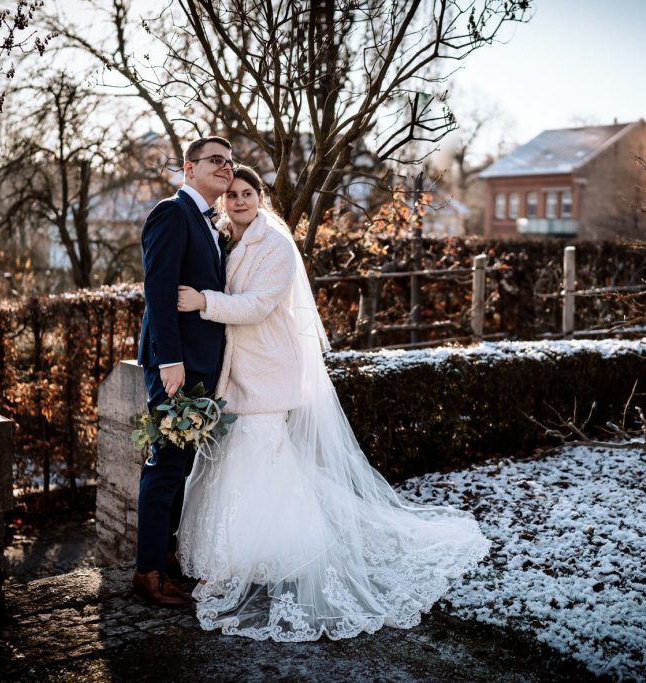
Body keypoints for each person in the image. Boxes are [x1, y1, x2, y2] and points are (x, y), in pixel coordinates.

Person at [174, 166, 490, 641]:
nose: (238, 201)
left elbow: (258, 305)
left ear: (261, 199)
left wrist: (203, 302)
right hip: (231, 374)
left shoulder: (276, 247)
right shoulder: (224, 238)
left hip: (265, 370)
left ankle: (255, 558)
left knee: (258, 462)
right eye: (232, 195)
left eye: (247, 193)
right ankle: (229, 556)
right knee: (236, 463)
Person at [133, 136, 234, 607]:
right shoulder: (172, 212)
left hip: (200, 367)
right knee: (166, 464)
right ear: (189, 168)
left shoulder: (208, 221)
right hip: (177, 366)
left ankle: (167, 556)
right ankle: (147, 572)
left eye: (231, 162)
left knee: (182, 465)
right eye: (216, 160)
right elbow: (158, 289)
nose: (226, 167)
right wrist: (169, 359)